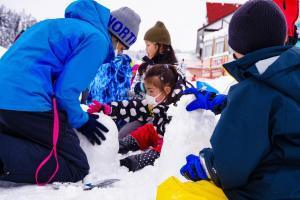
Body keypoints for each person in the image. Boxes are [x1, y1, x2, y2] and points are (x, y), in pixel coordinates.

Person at [0, 0, 139, 184]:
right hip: (26, 100)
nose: (117, 51)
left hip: (8, 97)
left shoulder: (64, 26)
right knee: (76, 166)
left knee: (29, 136)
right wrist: (81, 121)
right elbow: (65, 92)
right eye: (121, 47)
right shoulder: (96, 39)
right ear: (118, 37)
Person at [180, 0, 300, 199]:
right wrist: (226, 102)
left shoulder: (252, 91)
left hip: (272, 192)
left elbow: (230, 166)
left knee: (176, 192)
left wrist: (206, 165)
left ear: (240, 46)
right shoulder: (288, 74)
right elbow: (280, 112)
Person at [88, 64, 192, 172]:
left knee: (165, 150)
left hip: (172, 140)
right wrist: (110, 109)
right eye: (147, 91)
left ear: (166, 90)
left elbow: (179, 141)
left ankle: (133, 162)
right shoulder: (160, 100)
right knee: (147, 129)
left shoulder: (181, 107)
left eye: (151, 91)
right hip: (159, 132)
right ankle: (123, 144)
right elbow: (136, 107)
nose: (148, 95)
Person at [84, 7, 141, 104]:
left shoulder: (97, 51)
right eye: (122, 48)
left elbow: (117, 92)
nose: (120, 53)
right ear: (116, 39)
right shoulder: (93, 53)